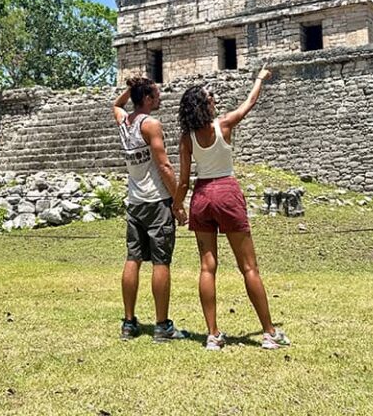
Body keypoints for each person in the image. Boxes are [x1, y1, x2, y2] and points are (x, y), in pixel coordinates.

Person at [177, 67, 291, 351]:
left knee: (207, 267)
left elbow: (182, 179)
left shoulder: (187, 137)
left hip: (202, 196)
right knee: (249, 267)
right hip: (226, 191)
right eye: (210, 97)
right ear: (204, 105)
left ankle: (212, 334)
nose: (214, 99)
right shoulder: (224, 125)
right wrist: (260, 79)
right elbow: (249, 103)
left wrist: (177, 206)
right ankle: (269, 332)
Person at [113, 77, 188, 343]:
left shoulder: (123, 120)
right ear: (147, 99)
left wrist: (133, 87)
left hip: (134, 201)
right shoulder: (151, 124)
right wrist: (178, 202)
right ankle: (162, 326)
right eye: (156, 94)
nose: (160, 99)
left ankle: (129, 322)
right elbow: (165, 166)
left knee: (133, 258)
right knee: (160, 261)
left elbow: (117, 103)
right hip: (156, 202)